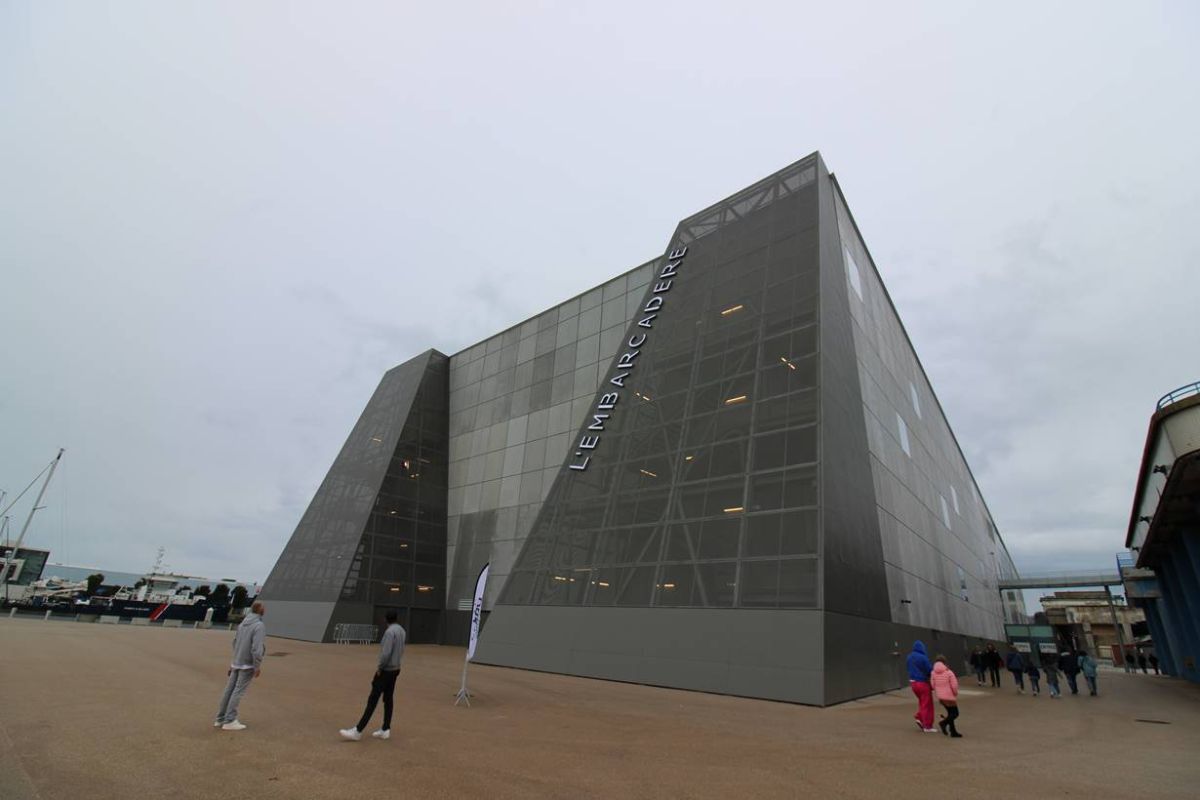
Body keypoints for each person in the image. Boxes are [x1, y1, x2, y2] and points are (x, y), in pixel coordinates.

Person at [340, 610, 407, 741]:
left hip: (386, 670)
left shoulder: (389, 632)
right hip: (396, 669)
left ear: (385, 619)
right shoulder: (402, 631)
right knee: (388, 698)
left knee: (373, 699)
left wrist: (380, 667)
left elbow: (386, 653)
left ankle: (358, 730)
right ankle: (386, 728)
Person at [214, 600, 266, 731]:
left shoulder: (242, 624)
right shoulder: (259, 625)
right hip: (247, 664)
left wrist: (234, 661)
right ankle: (230, 720)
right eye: (264, 608)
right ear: (260, 610)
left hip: (237, 662)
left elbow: (235, 642)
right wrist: (257, 665)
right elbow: (256, 648)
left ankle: (220, 718)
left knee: (229, 690)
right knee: (238, 691)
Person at [906, 640, 937, 733]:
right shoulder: (923, 657)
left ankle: (920, 717)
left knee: (922, 702)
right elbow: (929, 670)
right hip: (922, 683)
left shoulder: (909, 657)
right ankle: (927, 725)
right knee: (927, 704)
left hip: (913, 683)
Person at [930, 655, 963, 738]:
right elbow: (954, 685)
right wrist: (955, 693)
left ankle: (953, 732)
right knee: (955, 714)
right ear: (944, 662)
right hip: (949, 696)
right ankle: (943, 723)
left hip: (941, 697)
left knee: (950, 713)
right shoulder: (949, 672)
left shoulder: (933, 672)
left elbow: (932, 685)